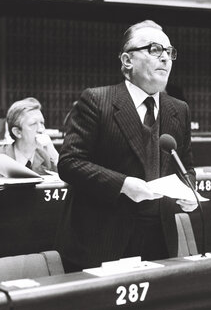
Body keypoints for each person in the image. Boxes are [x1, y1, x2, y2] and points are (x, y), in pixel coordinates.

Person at [57, 19, 197, 272]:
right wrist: (122, 185)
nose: (165, 58)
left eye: (169, 52)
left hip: (159, 240)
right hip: (103, 238)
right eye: (155, 49)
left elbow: (185, 166)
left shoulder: (179, 109)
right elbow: (69, 163)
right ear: (127, 61)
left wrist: (190, 192)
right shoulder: (97, 100)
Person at [0, 97, 58, 178]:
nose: (41, 129)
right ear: (17, 132)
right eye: (33, 124)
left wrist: (52, 152)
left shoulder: (48, 158)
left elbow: (67, 183)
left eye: (42, 123)